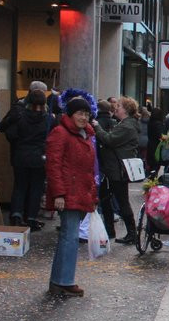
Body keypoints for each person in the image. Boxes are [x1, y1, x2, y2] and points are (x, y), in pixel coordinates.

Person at [45, 96, 99, 298]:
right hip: (68, 193)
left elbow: (87, 170)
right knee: (70, 237)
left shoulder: (84, 135)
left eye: (86, 114)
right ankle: (64, 281)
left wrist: (92, 194)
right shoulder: (61, 134)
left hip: (78, 192)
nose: (84, 117)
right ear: (70, 114)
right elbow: (53, 166)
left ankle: (59, 281)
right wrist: (58, 193)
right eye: (79, 113)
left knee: (68, 237)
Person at [0, 89, 55, 231]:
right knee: (36, 187)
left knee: (19, 186)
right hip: (39, 157)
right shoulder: (49, 119)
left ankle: (16, 215)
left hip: (20, 155)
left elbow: (7, 131)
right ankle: (31, 217)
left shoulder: (20, 116)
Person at [92, 96, 141, 244]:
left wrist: (97, 127)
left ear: (125, 110)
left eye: (119, 106)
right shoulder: (125, 124)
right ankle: (110, 230)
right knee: (107, 199)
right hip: (114, 168)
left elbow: (109, 139)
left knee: (121, 201)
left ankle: (132, 233)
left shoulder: (127, 126)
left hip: (118, 169)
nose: (116, 108)